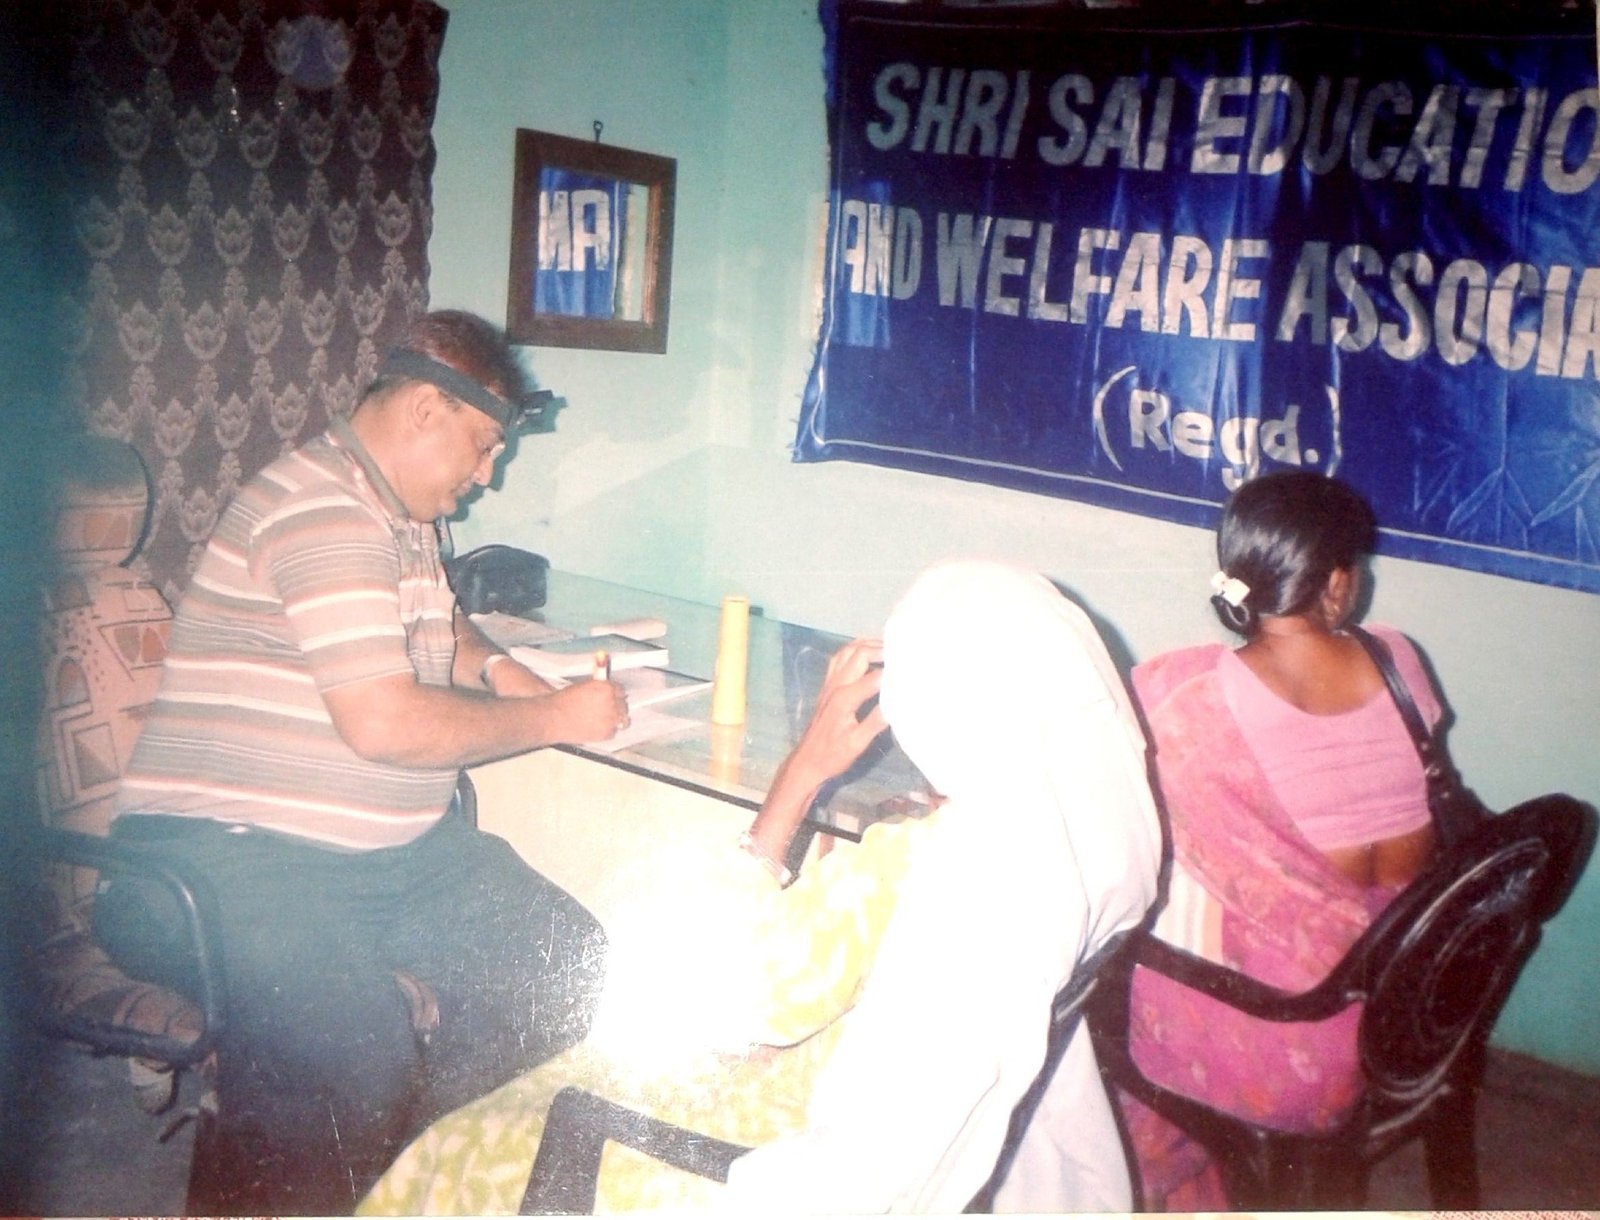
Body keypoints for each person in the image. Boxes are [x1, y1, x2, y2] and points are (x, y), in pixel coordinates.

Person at [360, 558, 1162, 1214]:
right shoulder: (1104, 834)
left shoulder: (922, 860)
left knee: (458, 1144)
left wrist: (802, 771)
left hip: (776, 1155)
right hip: (894, 1141)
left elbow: (722, 995)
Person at [93, 310, 629, 1213]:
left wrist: (500, 670)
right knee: (353, 1048)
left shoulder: (398, 513)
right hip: (219, 860)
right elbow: (383, 725)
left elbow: (438, 622)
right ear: (425, 410)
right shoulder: (324, 511)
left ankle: (391, 1183)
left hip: (383, 864)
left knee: (567, 966)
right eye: (484, 446)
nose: (487, 475)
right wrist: (552, 718)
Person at [1119, 470, 1445, 1208]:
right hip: (1415, 995)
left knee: (1122, 930)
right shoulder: (1398, 657)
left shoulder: (1180, 693)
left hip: (1302, 1036)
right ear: (1338, 582)